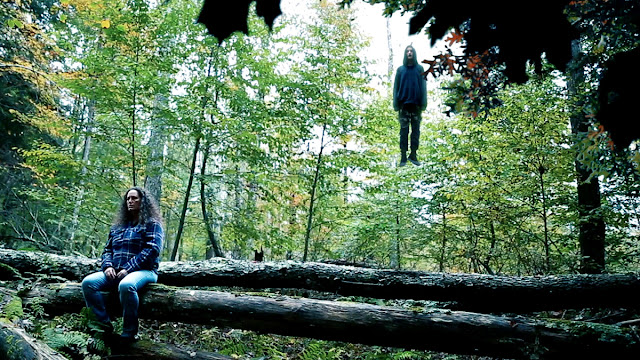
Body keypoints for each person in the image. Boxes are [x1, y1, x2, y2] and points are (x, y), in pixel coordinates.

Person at [81, 186, 164, 344]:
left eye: (134, 198)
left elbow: (152, 250)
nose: (130, 201)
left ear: (143, 201)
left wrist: (128, 268)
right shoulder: (118, 227)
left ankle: (129, 333)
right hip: (116, 272)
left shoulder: (152, 224)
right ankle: (102, 327)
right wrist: (108, 266)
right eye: (128, 198)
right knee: (89, 283)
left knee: (126, 285)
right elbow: (107, 250)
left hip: (145, 271)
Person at [393, 45, 427, 167]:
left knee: (416, 131)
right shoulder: (400, 70)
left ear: (414, 53)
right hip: (404, 105)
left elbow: (423, 86)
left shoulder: (419, 69)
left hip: (416, 105)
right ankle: (403, 155)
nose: (409, 53)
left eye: (411, 51)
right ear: (405, 54)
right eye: (407, 51)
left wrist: (423, 103)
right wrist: (396, 104)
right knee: (404, 130)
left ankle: (413, 154)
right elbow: (396, 87)